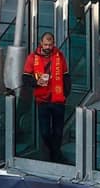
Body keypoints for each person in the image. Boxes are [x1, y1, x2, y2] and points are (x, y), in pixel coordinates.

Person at [24, 32, 69, 163]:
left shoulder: (59, 56)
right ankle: (55, 154)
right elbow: (25, 77)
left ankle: (54, 156)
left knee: (58, 132)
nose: (48, 47)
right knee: (44, 132)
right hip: (42, 100)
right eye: (46, 44)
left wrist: (66, 93)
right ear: (41, 43)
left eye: (50, 44)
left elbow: (66, 76)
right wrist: (36, 82)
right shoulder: (32, 58)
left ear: (53, 44)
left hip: (58, 100)